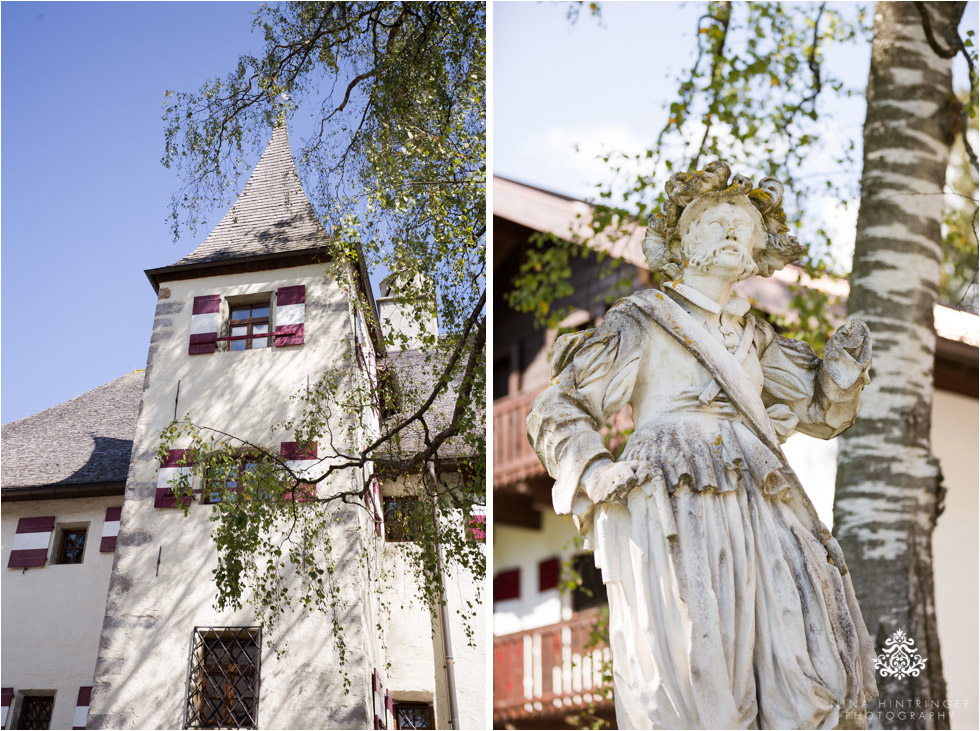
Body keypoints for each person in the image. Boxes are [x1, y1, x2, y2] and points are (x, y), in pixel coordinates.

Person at [526, 162, 878, 730]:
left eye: (743, 225)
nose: (734, 232)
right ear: (683, 241)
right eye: (716, 221)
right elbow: (558, 405)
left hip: (762, 499)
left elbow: (818, 412)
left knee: (800, 653)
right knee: (705, 661)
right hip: (679, 495)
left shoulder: (759, 338)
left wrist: (837, 377)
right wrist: (592, 469)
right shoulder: (643, 320)